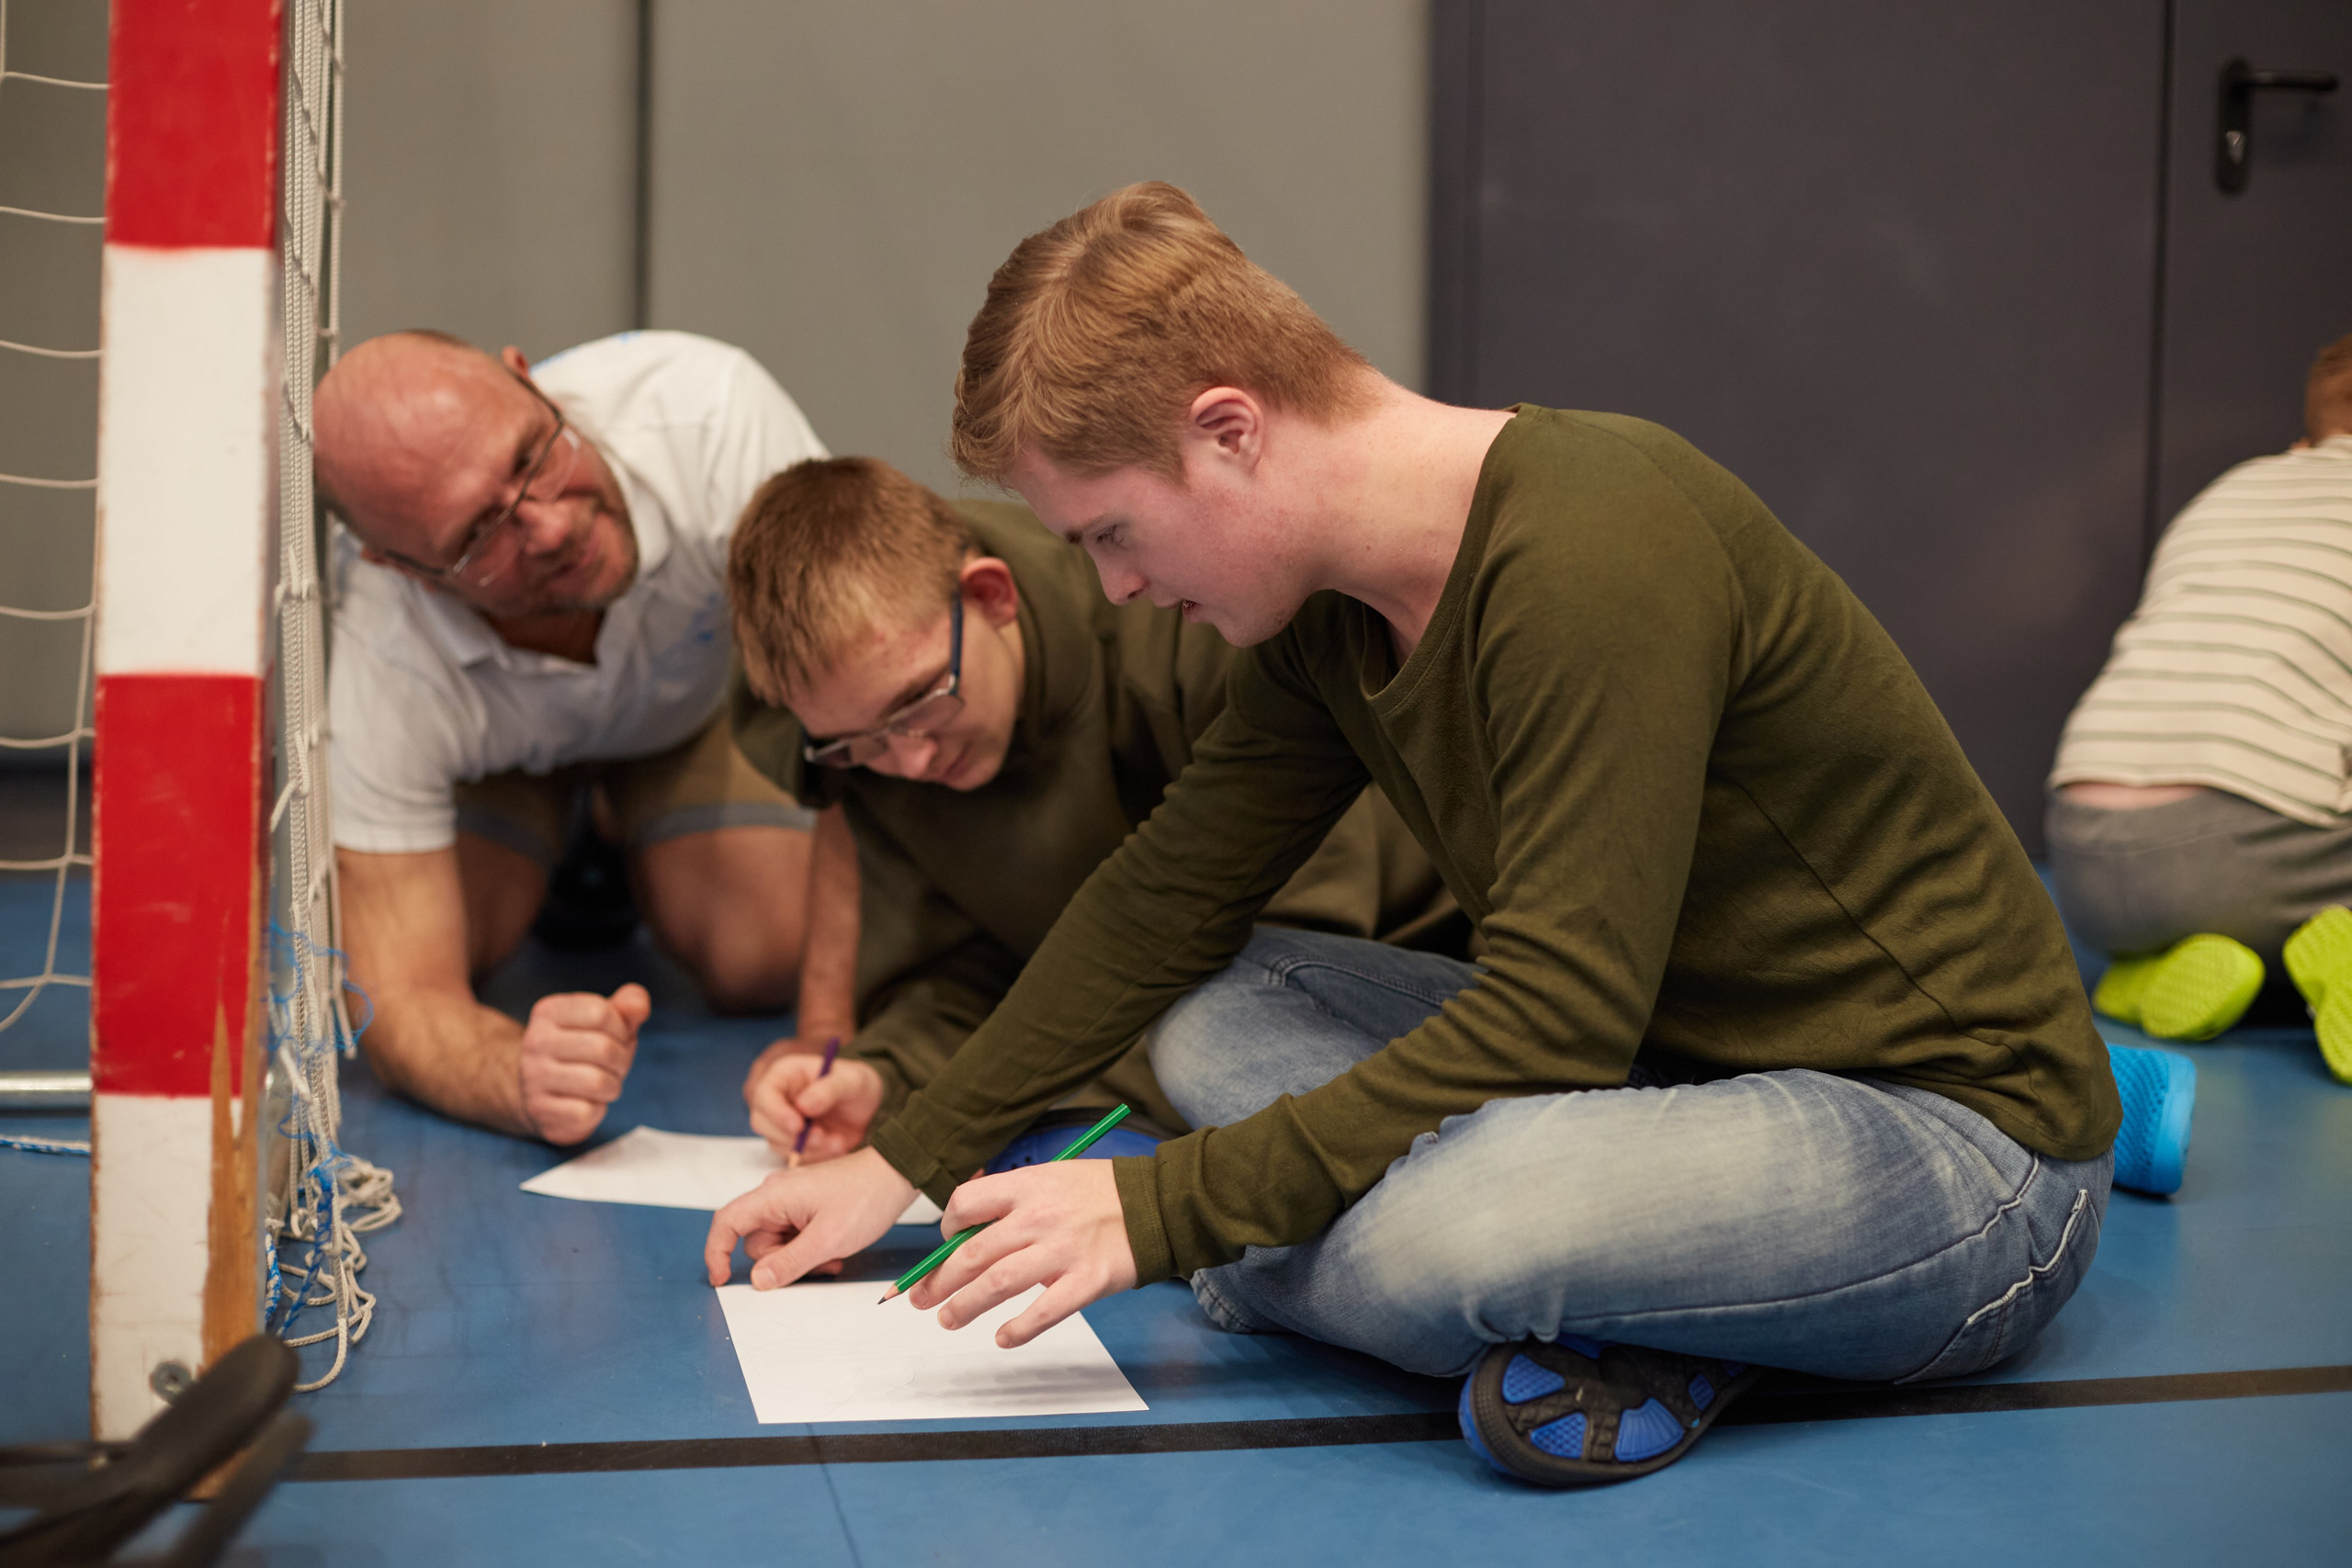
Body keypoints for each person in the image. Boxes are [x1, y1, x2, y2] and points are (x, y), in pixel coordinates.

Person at [703, 183, 2141, 1488]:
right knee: (1209, 1009)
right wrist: (905, 1154)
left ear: (1228, 430)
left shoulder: (1594, 543)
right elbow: (1167, 896)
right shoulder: (1330, 617)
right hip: (1680, 1074)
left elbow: (1559, 1011)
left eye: (1111, 532)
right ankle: (1564, 1275)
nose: (1119, 586)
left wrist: (1166, 1213)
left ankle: (1538, 1283)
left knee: (1436, 1239)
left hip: (1964, 1149)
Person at [720, 456, 1461, 1170]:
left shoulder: (1187, 619)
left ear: (990, 596)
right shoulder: (871, 733)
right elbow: (964, 978)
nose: (909, 761)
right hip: (1131, 1033)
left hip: (1410, 966)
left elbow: (1297, 947)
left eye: (918, 705)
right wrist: (886, 1079)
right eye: (857, 744)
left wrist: (1027, 1116)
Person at [318, 329, 833, 1145]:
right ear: (401, 567)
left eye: (531, 456)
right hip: (505, 762)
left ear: (531, 383)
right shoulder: (386, 648)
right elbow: (404, 997)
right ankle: (574, 835)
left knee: (763, 952)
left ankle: (607, 832)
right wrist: (517, 1075)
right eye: (478, 534)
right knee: (470, 953)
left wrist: (831, 1036)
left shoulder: (711, 420)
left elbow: (861, 703)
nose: (551, 527)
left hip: (683, 718)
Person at [2049, 331, 2352, 1080]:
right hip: (2238, 858)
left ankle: (2144, 975)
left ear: (2302, 440)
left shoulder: (2232, 489)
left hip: (2080, 855)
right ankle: (2330, 950)